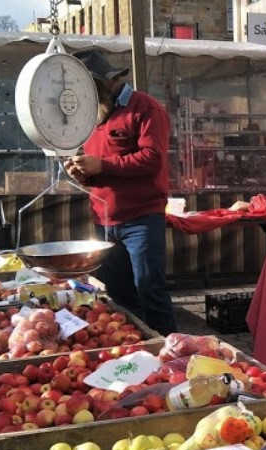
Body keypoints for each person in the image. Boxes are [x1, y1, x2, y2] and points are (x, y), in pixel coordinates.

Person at [64, 50, 177, 335]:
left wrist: (101, 165)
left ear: (106, 83)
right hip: (104, 220)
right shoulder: (94, 116)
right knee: (117, 294)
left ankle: (167, 350)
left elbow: (152, 159)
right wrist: (83, 173)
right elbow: (101, 170)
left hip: (141, 219)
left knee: (149, 288)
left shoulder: (145, 109)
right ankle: (134, 348)